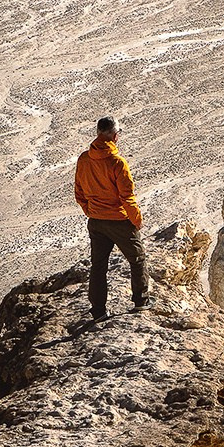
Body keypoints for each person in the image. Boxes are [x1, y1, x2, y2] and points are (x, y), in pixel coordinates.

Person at [74, 116, 148, 319]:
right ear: (115, 136)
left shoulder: (84, 159)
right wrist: (136, 219)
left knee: (98, 266)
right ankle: (141, 301)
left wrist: (90, 211)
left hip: (96, 221)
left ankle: (98, 311)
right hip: (119, 220)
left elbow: (79, 191)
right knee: (137, 258)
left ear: (99, 133)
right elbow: (127, 197)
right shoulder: (117, 163)